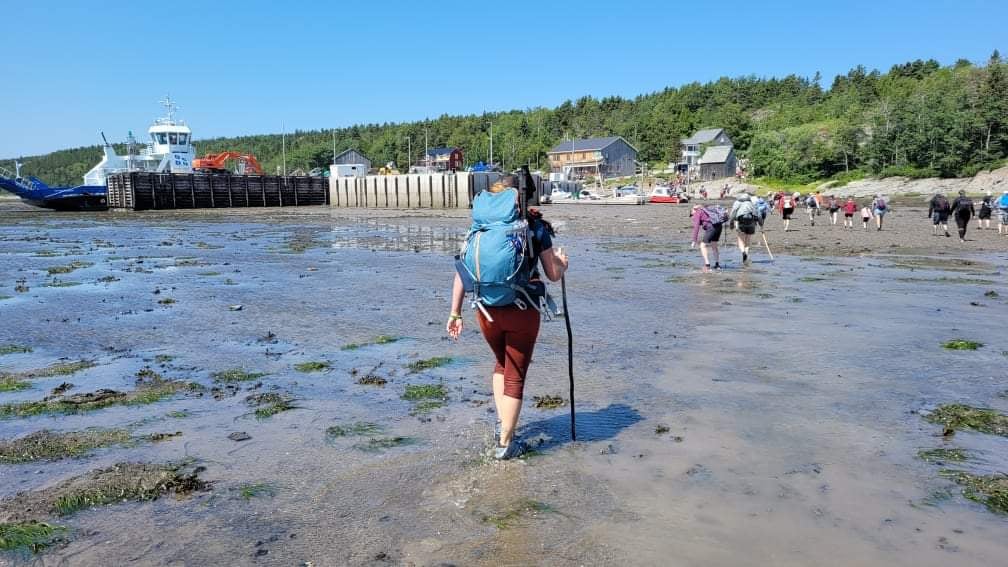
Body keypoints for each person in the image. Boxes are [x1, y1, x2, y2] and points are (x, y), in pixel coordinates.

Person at [447, 175, 569, 460]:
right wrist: (563, 263)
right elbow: (552, 274)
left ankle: (505, 428)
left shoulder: (479, 228)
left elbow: (461, 273)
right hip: (522, 311)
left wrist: (455, 312)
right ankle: (505, 443)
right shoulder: (535, 227)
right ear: (523, 197)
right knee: (515, 377)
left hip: (486, 311)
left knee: (502, 364)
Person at [691, 204, 723, 272]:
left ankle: (707, 265)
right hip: (719, 226)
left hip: (711, 227)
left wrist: (694, 240)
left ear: (693, 210)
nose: (692, 216)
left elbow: (696, 227)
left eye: (691, 214)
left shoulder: (697, 212)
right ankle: (717, 265)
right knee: (714, 244)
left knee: (703, 245)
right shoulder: (706, 209)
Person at [730, 193, 760, 266]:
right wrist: (761, 225)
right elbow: (757, 214)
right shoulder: (751, 203)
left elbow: (733, 213)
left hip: (741, 221)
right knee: (748, 240)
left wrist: (731, 223)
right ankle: (745, 256)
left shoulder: (737, 202)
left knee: (740, 239)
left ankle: (743, 253)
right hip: (751, 223)